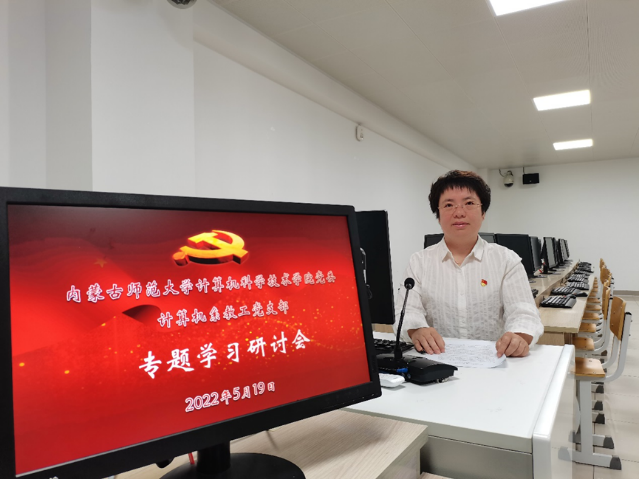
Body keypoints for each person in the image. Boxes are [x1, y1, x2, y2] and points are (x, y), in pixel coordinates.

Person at [394, 170, 543, 358]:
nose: (459, 213)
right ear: (438, 215)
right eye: (449, 205)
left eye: (469, 203)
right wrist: (417, 330)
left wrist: (518, 337)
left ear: (483, 213)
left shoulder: (506, 260)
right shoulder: (419, 262)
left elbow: (523, 312)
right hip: (436, 362)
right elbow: (407, 311)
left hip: (494, 361)